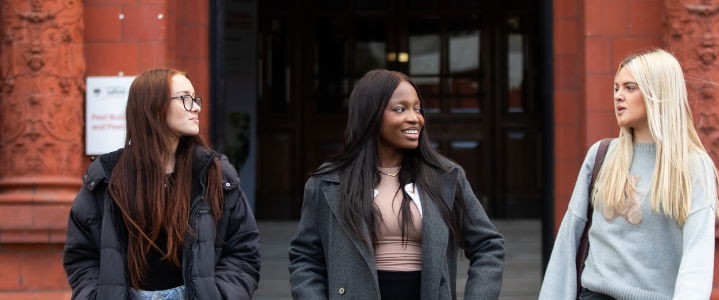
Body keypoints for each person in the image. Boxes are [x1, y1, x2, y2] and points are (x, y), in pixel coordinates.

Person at [288, 69, 505, 300]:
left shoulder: (446, 177)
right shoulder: (326, 182)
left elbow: (488, 246)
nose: (415, 118)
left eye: (418, 108)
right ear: (369, 115)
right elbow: (306, 259)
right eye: (400, 109)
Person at [539, 49, 719, 300]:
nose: (618, 96)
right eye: (616, 88)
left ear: (658, 93)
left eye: (629, 87)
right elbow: (567, 241)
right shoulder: (601, 155)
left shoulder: (692, 165)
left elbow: (697, 257)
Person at [63, 68, 261, 300]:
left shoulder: (214, 173)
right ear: (153, 108)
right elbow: (81, 255)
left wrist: (220, 295)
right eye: (185, 98)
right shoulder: (107, 177)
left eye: (194, 98)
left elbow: (244, 250)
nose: (196, 107)